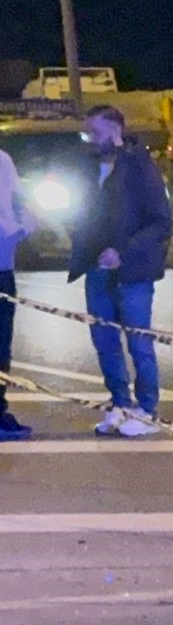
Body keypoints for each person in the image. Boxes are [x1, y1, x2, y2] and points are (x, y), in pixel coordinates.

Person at [69, 105, 173, 439]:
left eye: (96, 132)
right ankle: (120, 404)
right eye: (87, 132)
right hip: (96, 269)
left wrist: (123, 253)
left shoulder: (139, 165)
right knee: (105, 342)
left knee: (139, 343)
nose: (90, 139)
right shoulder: (87, 166)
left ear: (116, 129)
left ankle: (147, 411)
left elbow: (161, 222)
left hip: (133, 273)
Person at [0, 142, 31, 440]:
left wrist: (20, 228)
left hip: (2, 267)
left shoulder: (3, 161)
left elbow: (21, 202)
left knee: (1, 345)